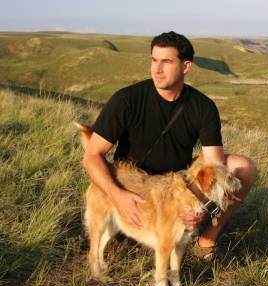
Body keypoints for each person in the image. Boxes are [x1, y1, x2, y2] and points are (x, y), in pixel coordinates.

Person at [82, 31, 257, 261]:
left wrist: (202, 209)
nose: (157, 69)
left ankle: (206, 240)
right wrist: (117, 195)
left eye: (166, 61)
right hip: (134, 187)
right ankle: (127, 231)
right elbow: (92, 155)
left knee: (243, 167)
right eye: (154, 60)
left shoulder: (203, 107)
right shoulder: (126, 99)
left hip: (175, 189)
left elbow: (215, 165)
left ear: (185, 67)